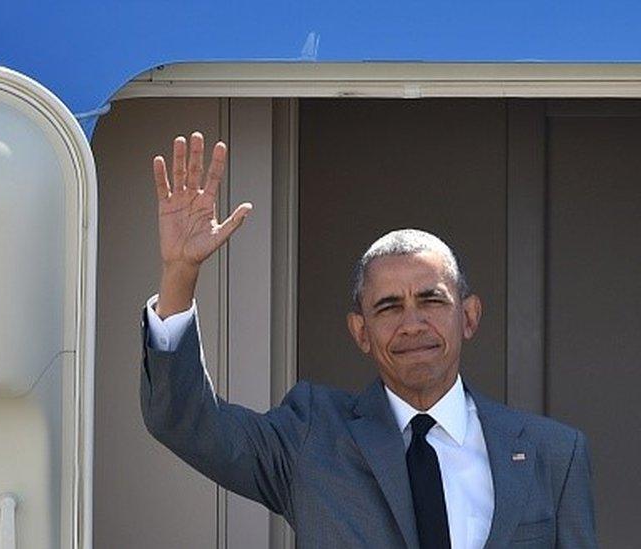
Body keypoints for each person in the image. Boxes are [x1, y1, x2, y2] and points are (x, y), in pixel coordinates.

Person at [140, 132, 597, 548]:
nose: (412, 323)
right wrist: (181, 273)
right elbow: (185, 422)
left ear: (469, 316)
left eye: (432, 301)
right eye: (389, 306)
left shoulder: (552, 453)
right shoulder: (312, 436)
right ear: (361, 332)